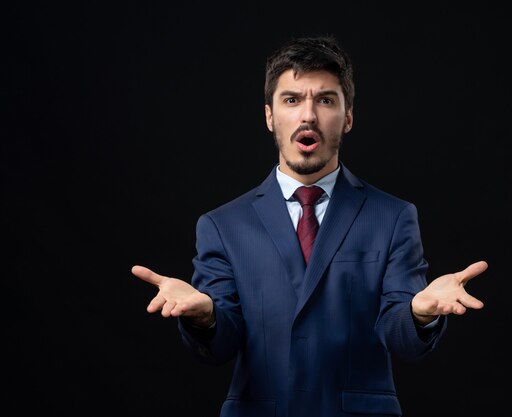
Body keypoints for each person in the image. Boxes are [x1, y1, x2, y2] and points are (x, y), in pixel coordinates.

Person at [132, 35, 488, 417]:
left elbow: (402, 338)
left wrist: (420, 312)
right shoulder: (222, 225)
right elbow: (219, 346)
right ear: (269, 116)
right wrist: (205, 317)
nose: (308, 115)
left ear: (348, 116)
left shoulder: (393, 217)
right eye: (292, 99)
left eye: (326, 100)